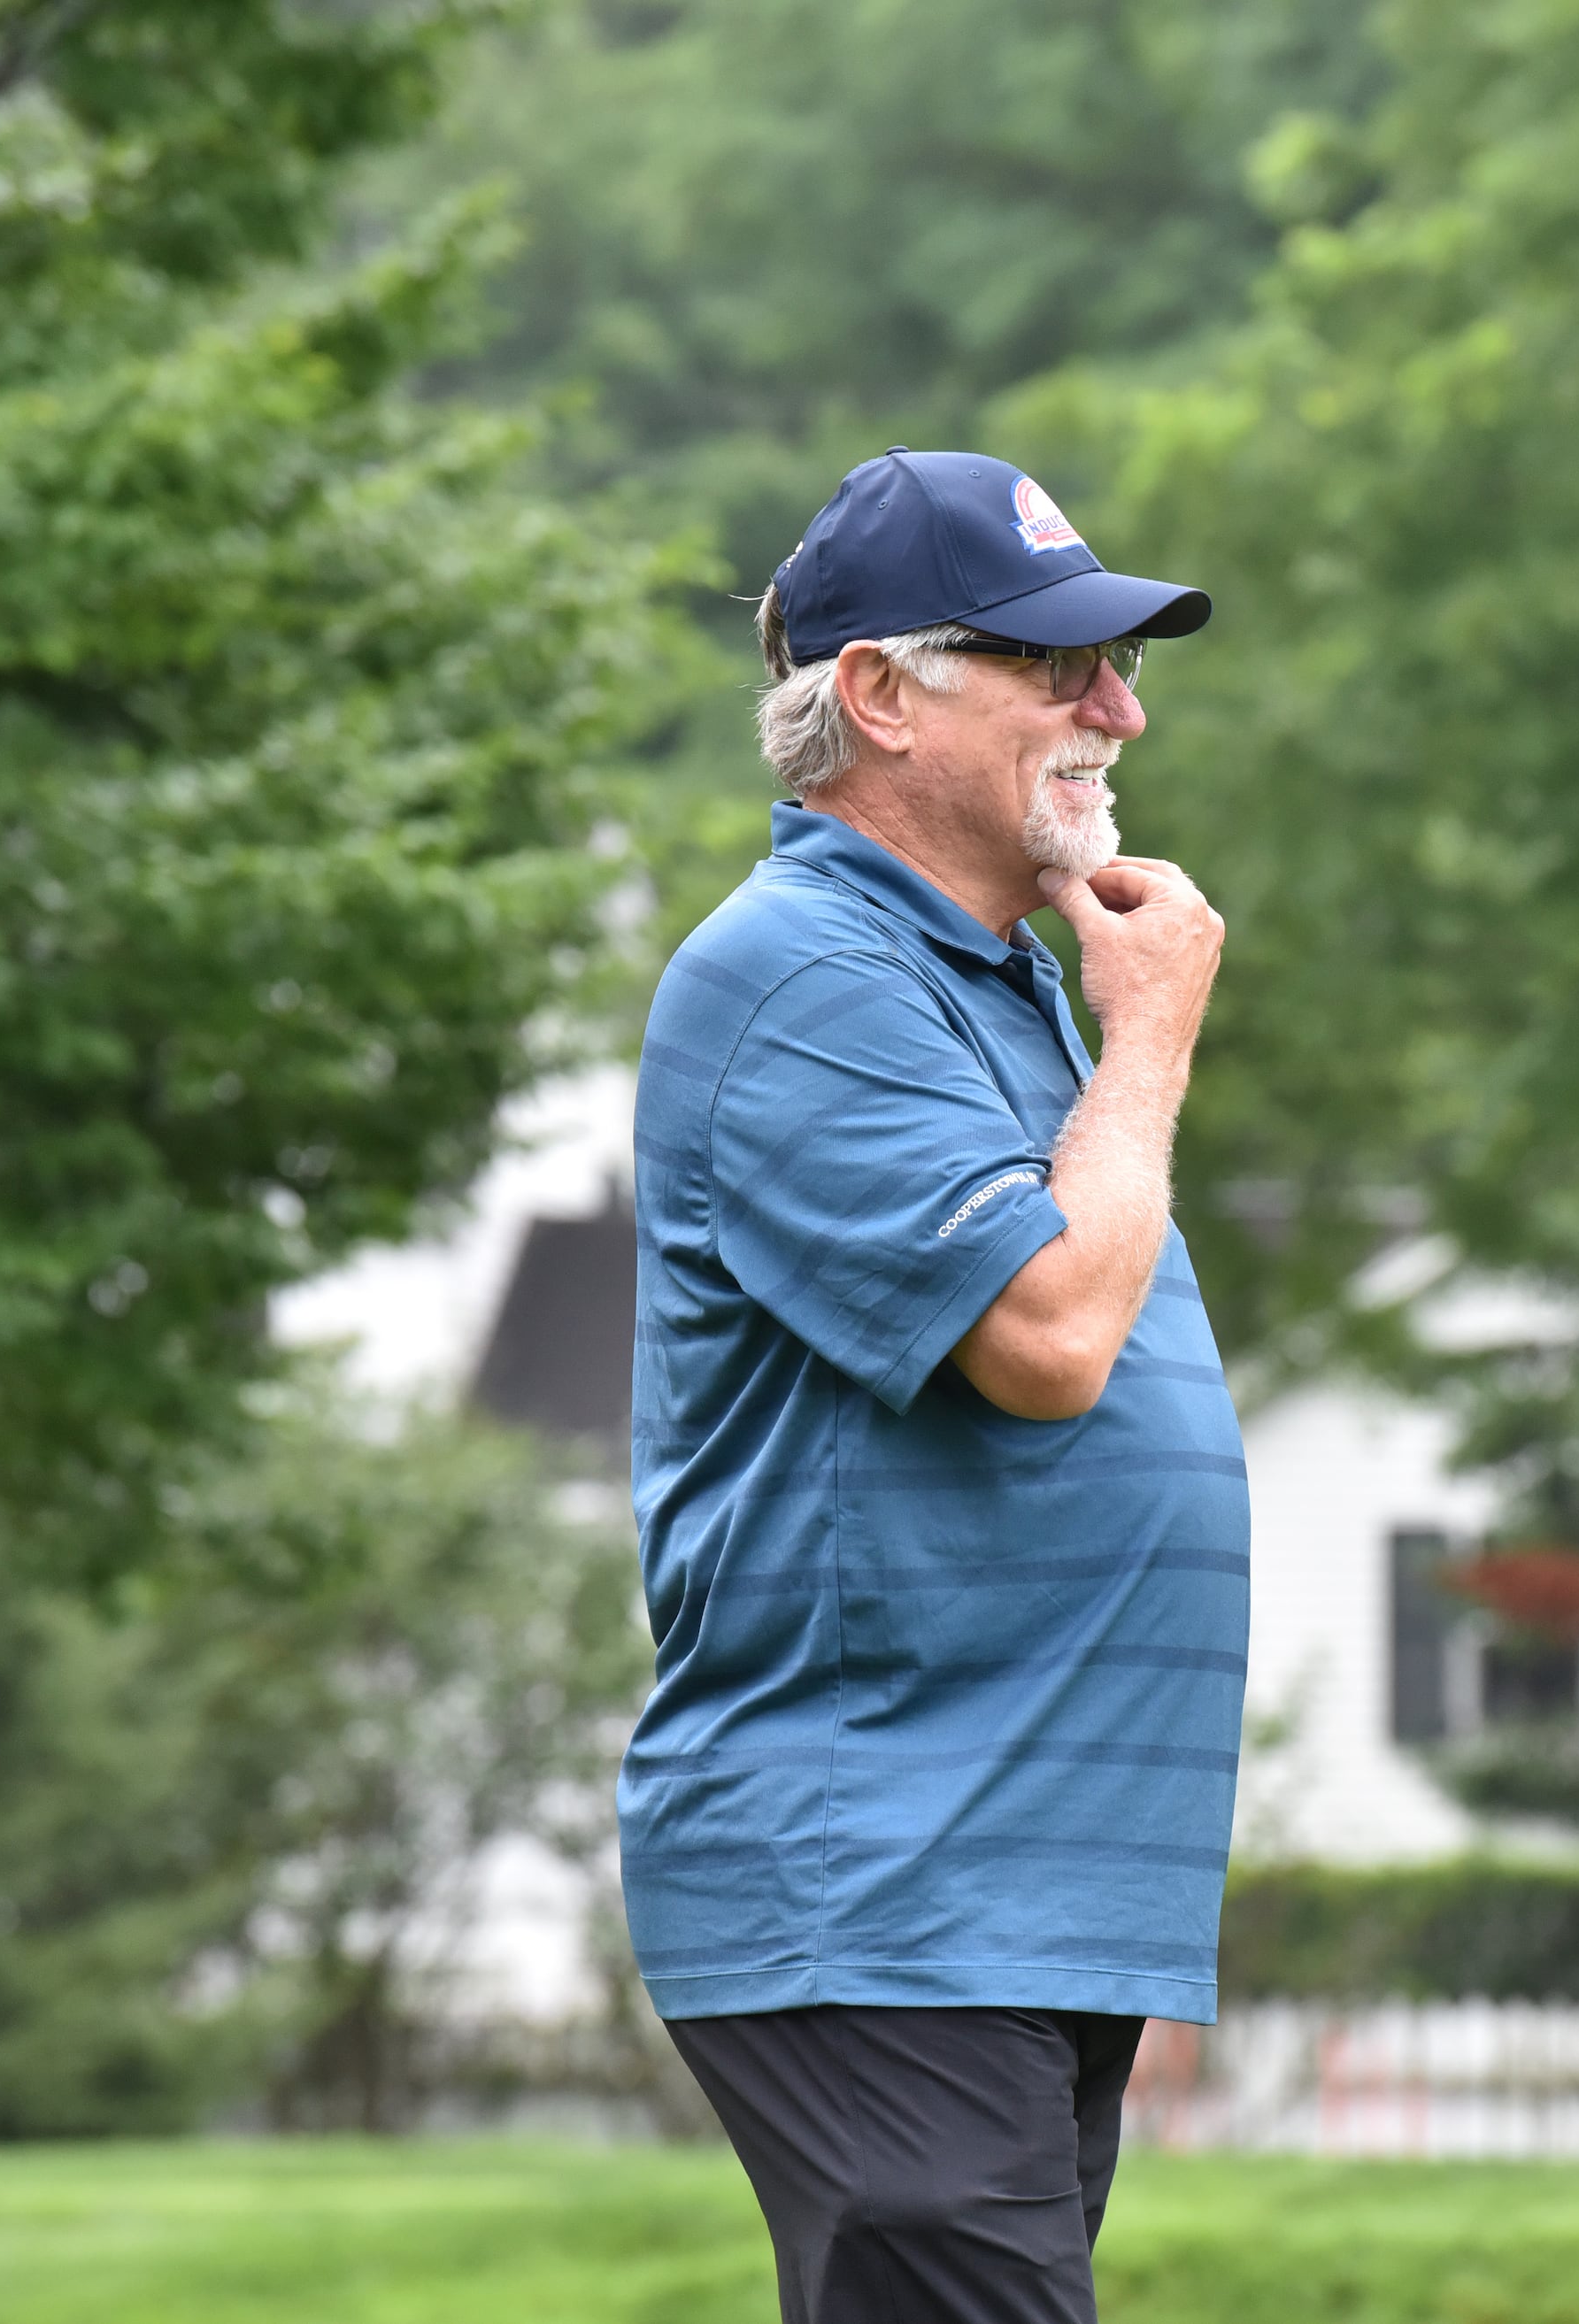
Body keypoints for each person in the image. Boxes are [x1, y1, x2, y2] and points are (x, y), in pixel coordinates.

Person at [620, 449, 1239, 2324]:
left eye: (1120, 665)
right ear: (882, 693)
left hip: (1003, 1883)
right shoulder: (805, 974)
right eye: (1058, 663)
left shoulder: (984, 974)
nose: (1116, 708)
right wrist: (1151, 1037)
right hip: (880, 1875)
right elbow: (1050, 1341)